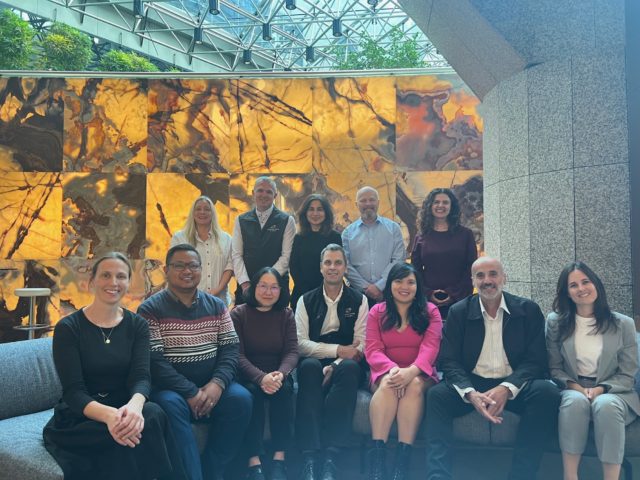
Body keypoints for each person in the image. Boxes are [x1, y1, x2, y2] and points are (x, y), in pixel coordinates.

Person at [43, 252, 186, 480]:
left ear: (128, 283)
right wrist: (111, 417)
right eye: (106, 275)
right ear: (92, 281)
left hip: (124, 406)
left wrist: (135, 408)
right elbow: (73, 392)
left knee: (153, 414)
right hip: (83, 417)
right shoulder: (68, 328)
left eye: (121, 276)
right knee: (130, 434)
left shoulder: (138, 325)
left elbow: (141, 377)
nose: (113, 282)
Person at [425, 256, 560, 480]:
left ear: (504, 278)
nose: (487, 280)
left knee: (547, 393)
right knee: (436, 396)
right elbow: (449, 361)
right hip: (473, 382)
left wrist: (507, 388)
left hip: (514, 382)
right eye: (480, 276)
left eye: (493, 274)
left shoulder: (528, 310)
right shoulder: (459, 312)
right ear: (473, 281)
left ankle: (521, 475)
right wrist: (470, 393)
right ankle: (438, 476)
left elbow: (535, 361)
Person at [137, 244, 252, 480]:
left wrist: (217, 384)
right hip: (171, 390)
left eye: (193, 265)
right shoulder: (150, 309)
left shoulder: (217, 306)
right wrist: (190, 391)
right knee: (169, 405)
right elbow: (154, 361)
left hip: (211, 384)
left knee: (241, 399)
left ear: (201, 269)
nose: (187, 271)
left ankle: (213, 471)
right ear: (167, 270)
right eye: (179, 266)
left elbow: (231, 349)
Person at [546, 262, 640, 480]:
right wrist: (576, 387)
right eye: (573, 285)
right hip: (571, 386)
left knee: (606, 405)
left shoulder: (623, 324)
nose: (581, 288)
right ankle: (570, 476)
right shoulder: (555, 322)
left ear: (596, 284)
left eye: (585, 281)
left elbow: (627, 374)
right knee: (574, 402)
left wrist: (600, 389)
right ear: (567, 293)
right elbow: (554, 368)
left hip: (614, 390)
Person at [294, 243, 369, 480]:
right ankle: (309, 456)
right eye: (328, 262)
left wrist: (334, 364)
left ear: (345, 267)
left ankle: (331, 457)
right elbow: (300, 344)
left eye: (338, 263)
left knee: (349, 368)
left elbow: (361, 344)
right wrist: (337, 350)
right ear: (320, 267)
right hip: (316, 358)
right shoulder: (305, 300)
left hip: (346, 363)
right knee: (308, 367)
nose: (332, 267)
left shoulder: (359, 300)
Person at [365, 262, 442, 480]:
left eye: (411, 282)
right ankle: (377, 464)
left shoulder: (431, 311)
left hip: (421, 373)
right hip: (385, 373)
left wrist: (410, 372)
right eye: (399, 281)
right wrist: (393, 371)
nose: (404, 287)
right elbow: (372, 349)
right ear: (390, 284)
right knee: (389, 385)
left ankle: (402, 465)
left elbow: (431, 347)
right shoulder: (376, 312)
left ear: (418, 286)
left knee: (414, 385)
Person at [231, 267, 299, 480]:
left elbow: (292, 351)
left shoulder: (286, 314)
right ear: (253, 287)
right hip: (247, 375)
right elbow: (236, 355)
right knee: (251, 393)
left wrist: (281, 374)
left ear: (281, 290)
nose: (268, 292)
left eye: (274, 287)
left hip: (278, 375)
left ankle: (280, 459)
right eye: (263, 286)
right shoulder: (238, 314)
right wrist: (261, 378)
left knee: (285, 390)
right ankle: (254, 462)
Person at [411, 188, 477, 318]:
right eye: (436, 202)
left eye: (445, 202)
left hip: (460, 300)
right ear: (430, 206)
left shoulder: (466, 235)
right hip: (428, 303)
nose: (440, 205)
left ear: (452, 207)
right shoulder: (421, 236)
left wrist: (453, 294)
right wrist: (428, 293)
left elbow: (471, 268)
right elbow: (415, 270)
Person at [232, 176, 296, 305]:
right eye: (260, 190)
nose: (264, 195)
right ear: (253, 193)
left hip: (276, 288)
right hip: (247, 288)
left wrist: (267, 284)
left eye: (269, 192)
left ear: (275, 195)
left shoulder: (287, 221)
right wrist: (245, 284)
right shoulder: (241, 220)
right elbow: (236, 255)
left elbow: (286, 257)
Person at [342, 186, 406, 307]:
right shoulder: (347, 233)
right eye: (363, 200)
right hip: (357, 295)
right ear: (356, 204)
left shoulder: (393, 229)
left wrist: (380, 285)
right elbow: (345, 265)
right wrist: (365, 287)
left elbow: (398, 260)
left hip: (389, 293)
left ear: (378, 202)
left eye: (372, 200)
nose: (368, 204)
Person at [171, 195, 233, 305]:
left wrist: (216, 291)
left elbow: (229, 267)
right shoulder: (179, 238)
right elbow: (174, 269)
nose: (202, 212)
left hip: (218, 302)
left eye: (207, 209)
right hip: (186, 303)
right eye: (198, 209)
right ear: (193, 213)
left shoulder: (227, 239)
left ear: (213, 213)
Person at [290, 194, 342, 309]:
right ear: (305, 213)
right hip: (302, 294)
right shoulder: (299, 238)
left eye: (320, 209)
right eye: (311, 209)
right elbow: (294, 266)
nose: (315, 213)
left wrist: (323, 292)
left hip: (329, 294)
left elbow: (337, 266)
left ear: (326, 213)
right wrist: (308, 293)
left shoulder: (335, 237)